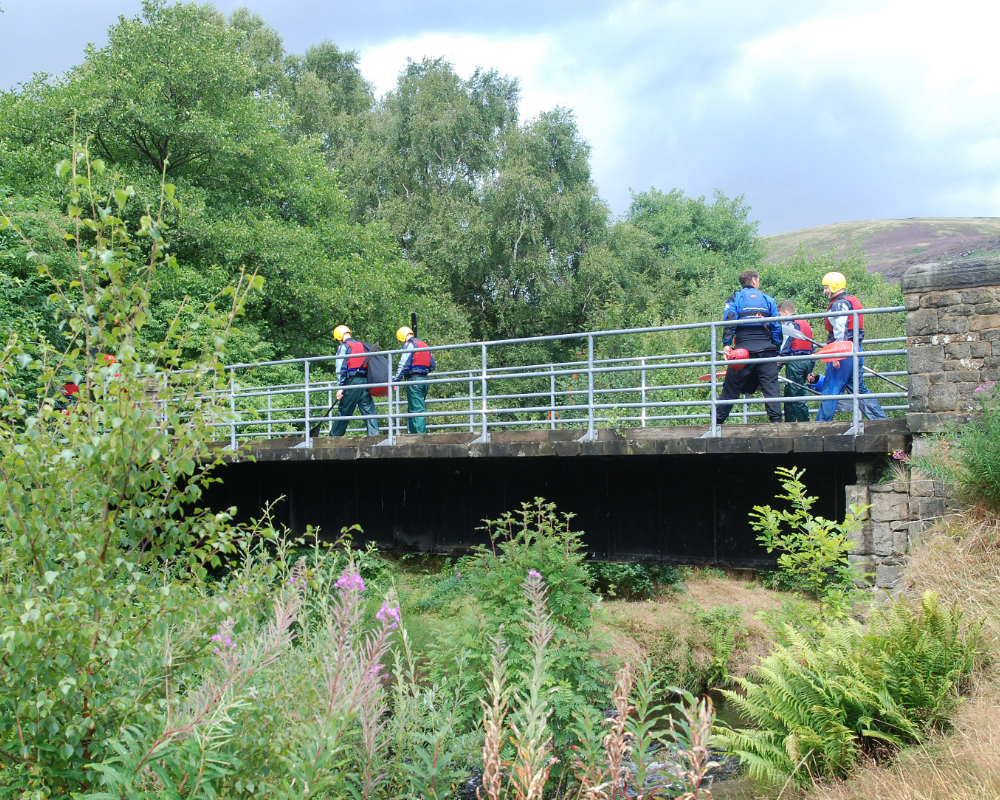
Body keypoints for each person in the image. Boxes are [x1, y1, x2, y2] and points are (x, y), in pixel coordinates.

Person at [814, 272, 888, 422]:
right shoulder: (850, 301)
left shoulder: (839, 304)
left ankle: (820, 426)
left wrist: (836, 355)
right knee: (858, 389)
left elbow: (840, 329)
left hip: (843, 352)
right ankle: (881, 420)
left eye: (826, 287)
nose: (825, 291)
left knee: (831, 390)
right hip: (855, 350)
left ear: (834, 286)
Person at [717, 269, 783, 425]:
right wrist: (777, 349)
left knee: (731, 387)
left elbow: (730, 320)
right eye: (758, 280)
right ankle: (776, 422)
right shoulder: (768, 300)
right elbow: (776, 326)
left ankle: (716, 421)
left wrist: (727, 344)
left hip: (743, 351)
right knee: (771, 386)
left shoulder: (735, 298)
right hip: (766, 351)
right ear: (754, 280)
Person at [329, 324, 380, 437]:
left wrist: (340, 388)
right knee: (369, 410)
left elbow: (341, 368)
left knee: (344, 410)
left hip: (352, 383)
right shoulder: (362, 345)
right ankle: (375, 436)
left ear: (339, 337)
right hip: (364, 382)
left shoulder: (344, 347)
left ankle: (334, 437)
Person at [394, 326, 436, 434]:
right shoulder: (425, 345)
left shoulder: (409, 345)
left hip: (414, 381)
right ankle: (412, 434)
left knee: (416, 410)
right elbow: (432, 366)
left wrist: (396, 381)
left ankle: (419, 437)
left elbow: (403, 365)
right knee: (414, 408)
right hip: (425, 380)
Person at [778, 300, 815, 422]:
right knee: (789, 391)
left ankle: (805, 424)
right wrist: (810, 368)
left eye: (780, 314)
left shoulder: (789, 324)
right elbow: (811, 347)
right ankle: (789, 422)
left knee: (797, 394)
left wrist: (779, 362)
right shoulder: (805, 324)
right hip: (807, 361)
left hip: (795, 363)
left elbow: (786, 345)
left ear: (784, 312)